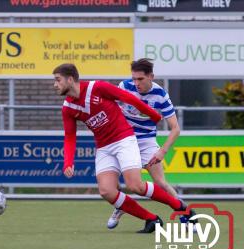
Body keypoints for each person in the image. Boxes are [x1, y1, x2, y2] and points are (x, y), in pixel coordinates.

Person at [53, 63, 195, 233]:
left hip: (124, 139)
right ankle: (151, 220)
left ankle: (181, 207)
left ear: (70, 79)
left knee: (136, 186)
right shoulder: (68, 108)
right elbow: (70, 136)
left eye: (58, 80)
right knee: (107, 191)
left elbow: (129, 99)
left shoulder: (97, 87)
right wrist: (68, 162)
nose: (55, 84)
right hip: (104, 147)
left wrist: (153, 115)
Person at [107, 58, 188, 229]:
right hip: (123, 138)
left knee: (160, 183)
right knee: (113, 181)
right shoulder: (125, 86)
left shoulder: (161, 95)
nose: (136, 83)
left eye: (140, 79)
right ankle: (120, 206)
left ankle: (185, 215)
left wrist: (162, 151)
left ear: (151, 76)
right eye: (134, 79)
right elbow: (110, 106)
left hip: (146, 141)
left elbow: (175, 128)